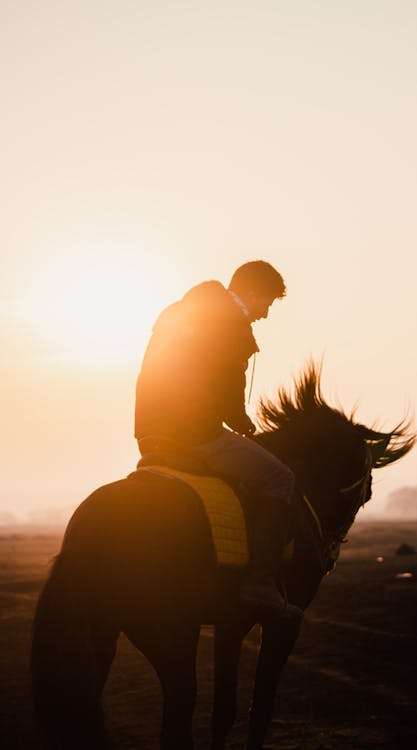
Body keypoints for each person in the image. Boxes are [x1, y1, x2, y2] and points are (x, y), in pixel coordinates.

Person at [135, 260, 301, 621]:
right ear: (253, 293)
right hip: (194, 432)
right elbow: (228, 389)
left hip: (149, 432)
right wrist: (244, 424)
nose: (265, 315)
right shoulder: (231, 323)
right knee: (280, 478)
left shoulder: (182, 312)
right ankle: (259, 582)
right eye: (267, 304)